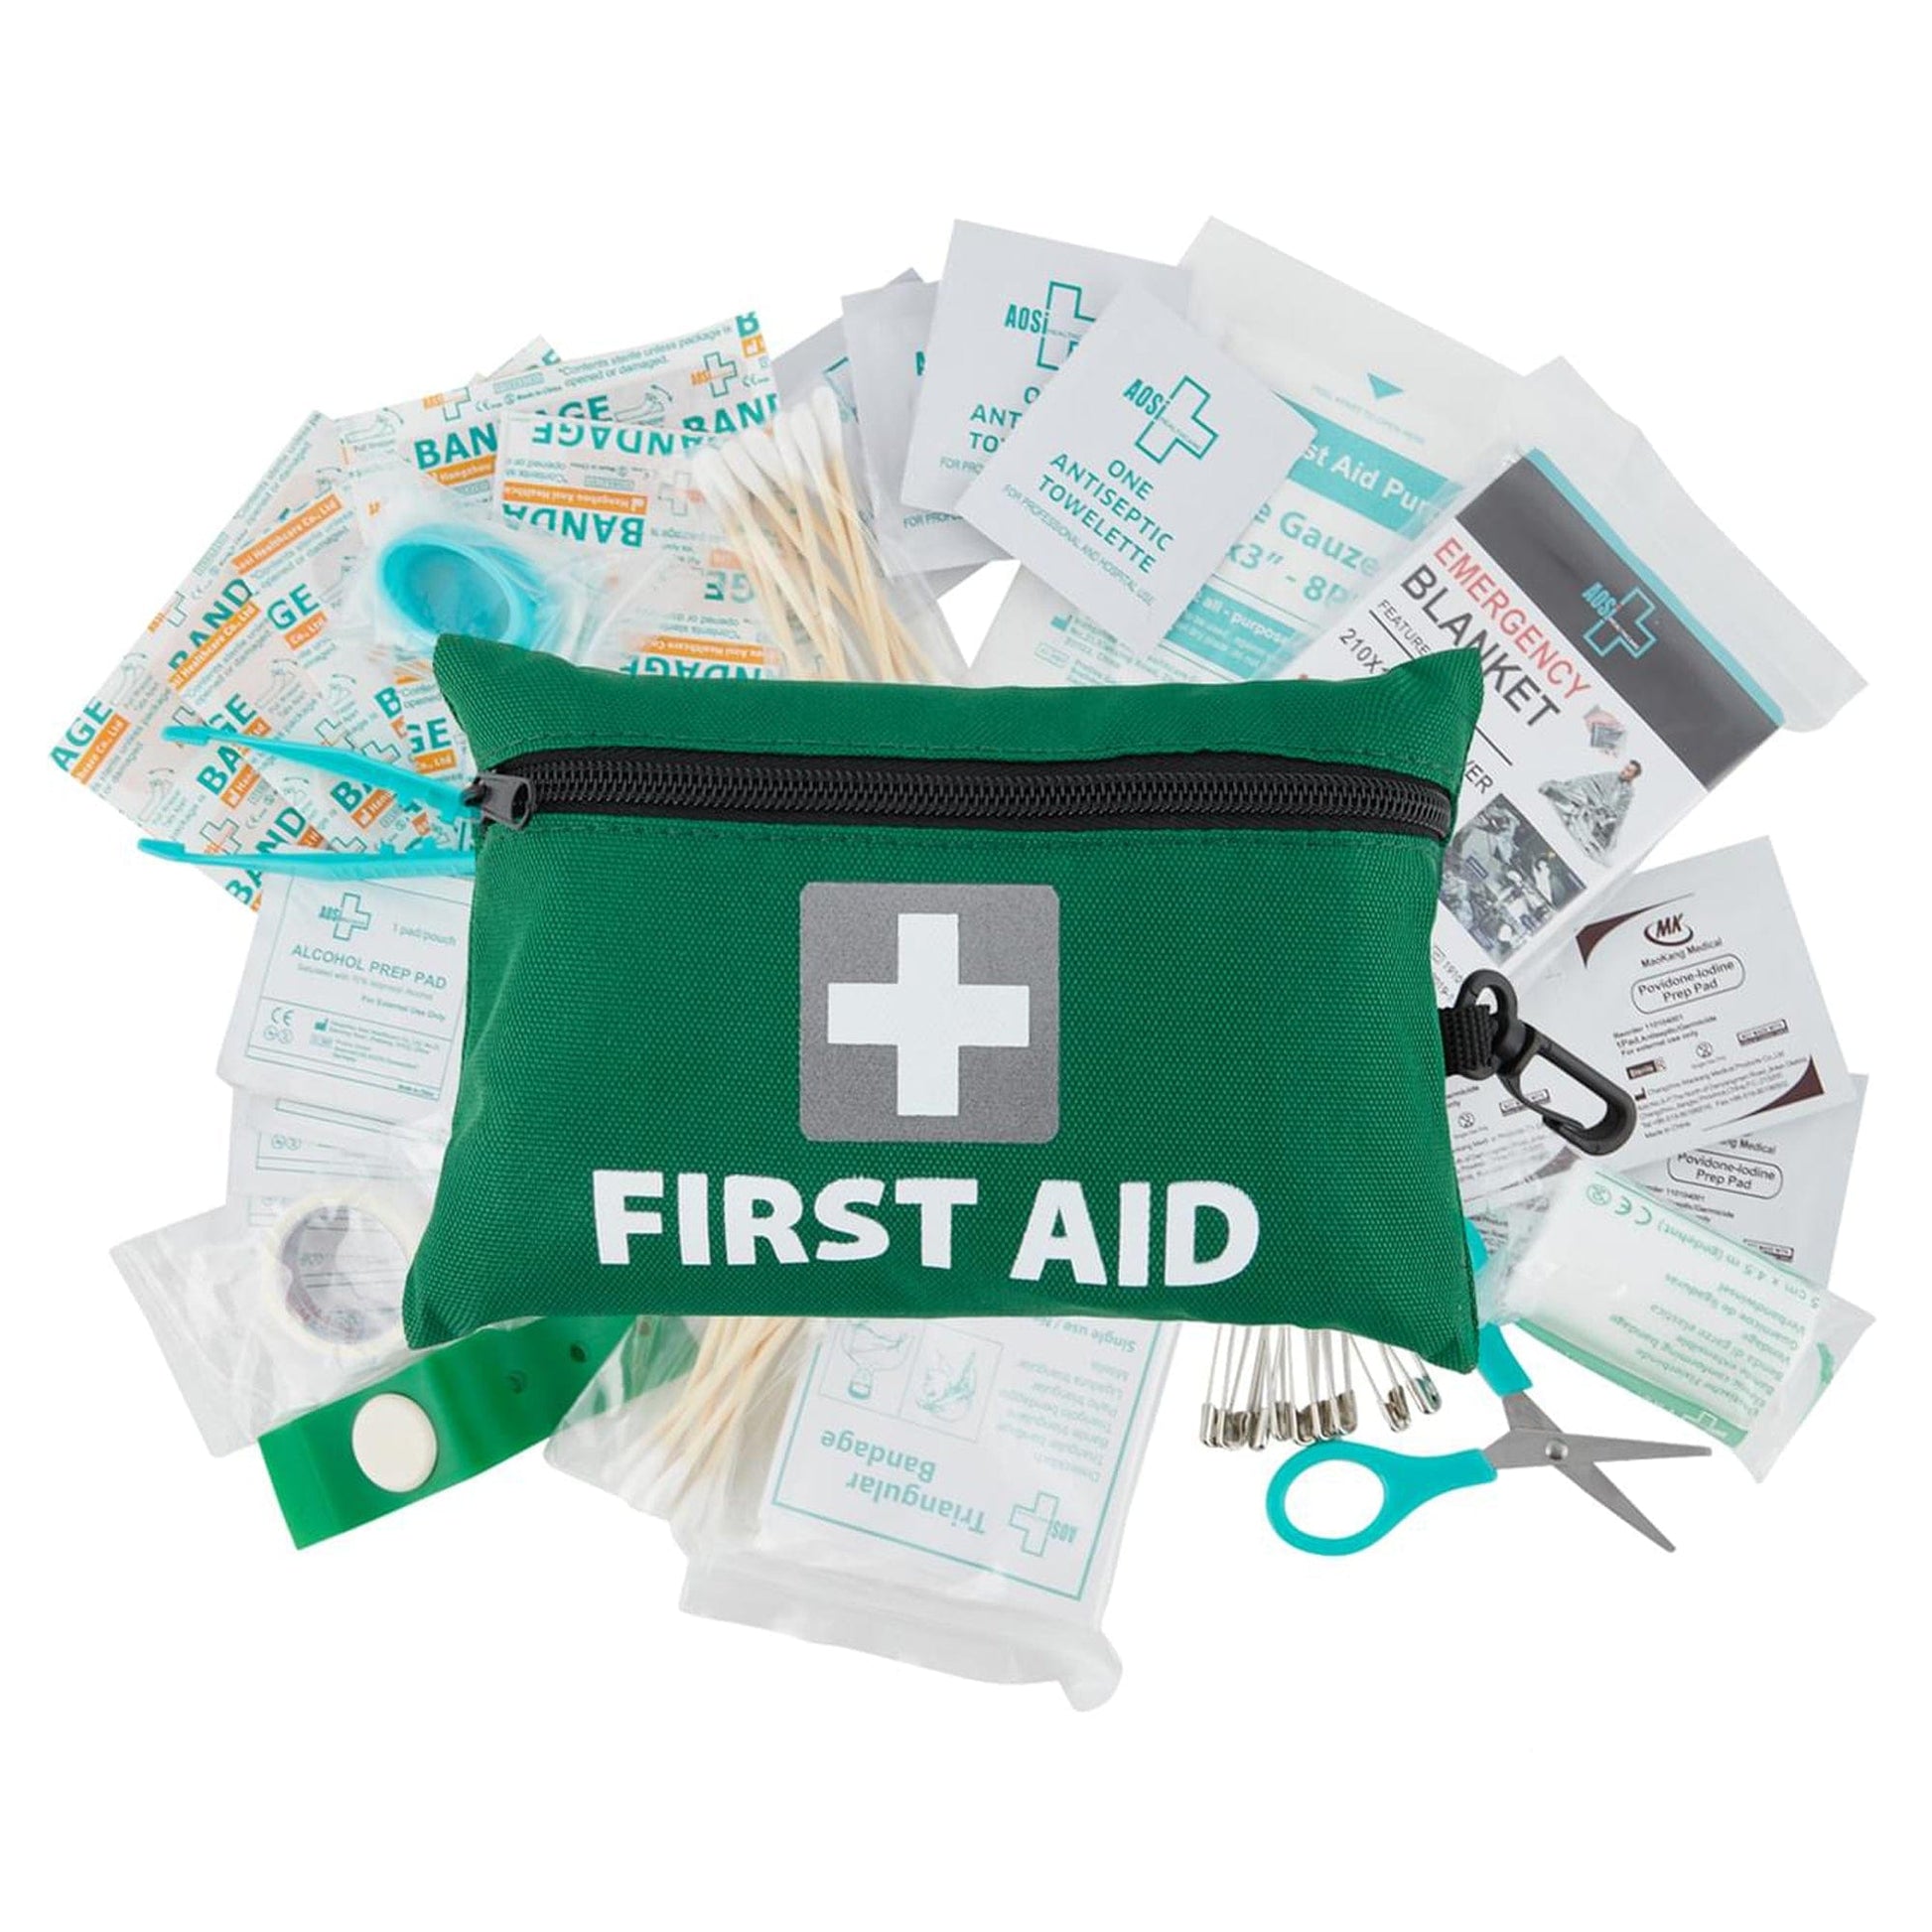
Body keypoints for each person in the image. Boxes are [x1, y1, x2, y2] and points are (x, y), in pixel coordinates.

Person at [1539, 759, 1643, 861]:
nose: (1624, 771)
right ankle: (1556, 793)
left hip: (1601, 814)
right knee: (1575, 792)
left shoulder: (1628, 792)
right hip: (1589, 800)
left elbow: (1621, 811)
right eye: (1625, 768)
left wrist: (1607, 814)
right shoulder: (1611, 776)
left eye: (1628, 771)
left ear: (1633, 776)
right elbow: (1591, 781)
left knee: (1605, 832)